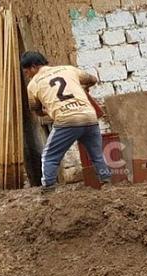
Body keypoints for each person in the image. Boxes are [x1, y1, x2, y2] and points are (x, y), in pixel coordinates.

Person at [21, 51, 111, 192]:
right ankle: (107, 182)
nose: (28, 76)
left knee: (49, 156)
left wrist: (48, 110)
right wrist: (83, 89)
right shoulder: (69, 69)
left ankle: (49, 187)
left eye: (27, 72)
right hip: (89, 116)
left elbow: (35, 109)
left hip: (67, 120)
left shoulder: (33, 84)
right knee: (97, 155)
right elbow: (92, 79)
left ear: (33, 67)